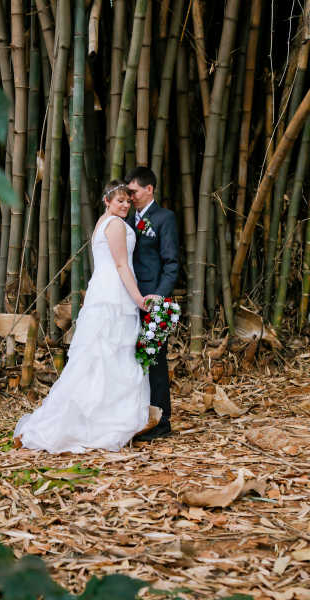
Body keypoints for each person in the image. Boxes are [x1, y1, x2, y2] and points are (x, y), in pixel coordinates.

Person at [14, 180, 152, 453]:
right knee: (111, 353)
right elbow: (121, 264)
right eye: (119, 201)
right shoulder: (114, 225)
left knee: (101, 355)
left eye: (127, 201)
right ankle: (102, 421)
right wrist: (139, 298)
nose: (125, 205)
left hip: (103, 290)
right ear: (107, 201)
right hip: (115, 293)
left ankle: (96, 415)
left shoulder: (102, 222)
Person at [125, 167, 179, 441]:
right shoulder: (125, 218)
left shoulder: (164, 218)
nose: (130, 197)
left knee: (155, 360)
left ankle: (162, 421)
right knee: (130, 360)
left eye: (133, 191)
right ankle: (137, 417)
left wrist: (159, 295)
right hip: (128, 298)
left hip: (154, 300)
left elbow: (171, 262)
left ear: (149, 189)